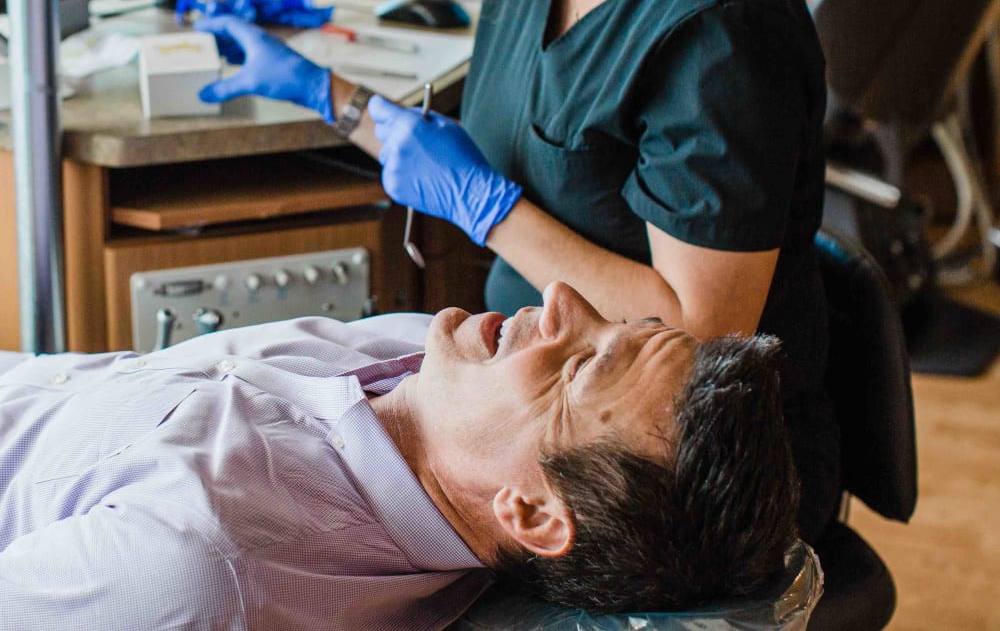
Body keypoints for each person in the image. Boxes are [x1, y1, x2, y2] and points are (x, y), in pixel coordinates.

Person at [195, 0, 837, 544]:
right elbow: (461, 155)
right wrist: (321, 90)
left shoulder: (720, 31)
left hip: (663, 482)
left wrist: (490, 212)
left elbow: (695, 339)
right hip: (529, 435)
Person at [0, 284, 800, 629]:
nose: (560, 299)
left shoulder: (196, 569)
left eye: (581, 364)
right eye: (609, 325)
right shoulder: (422, 364)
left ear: (529, 510)